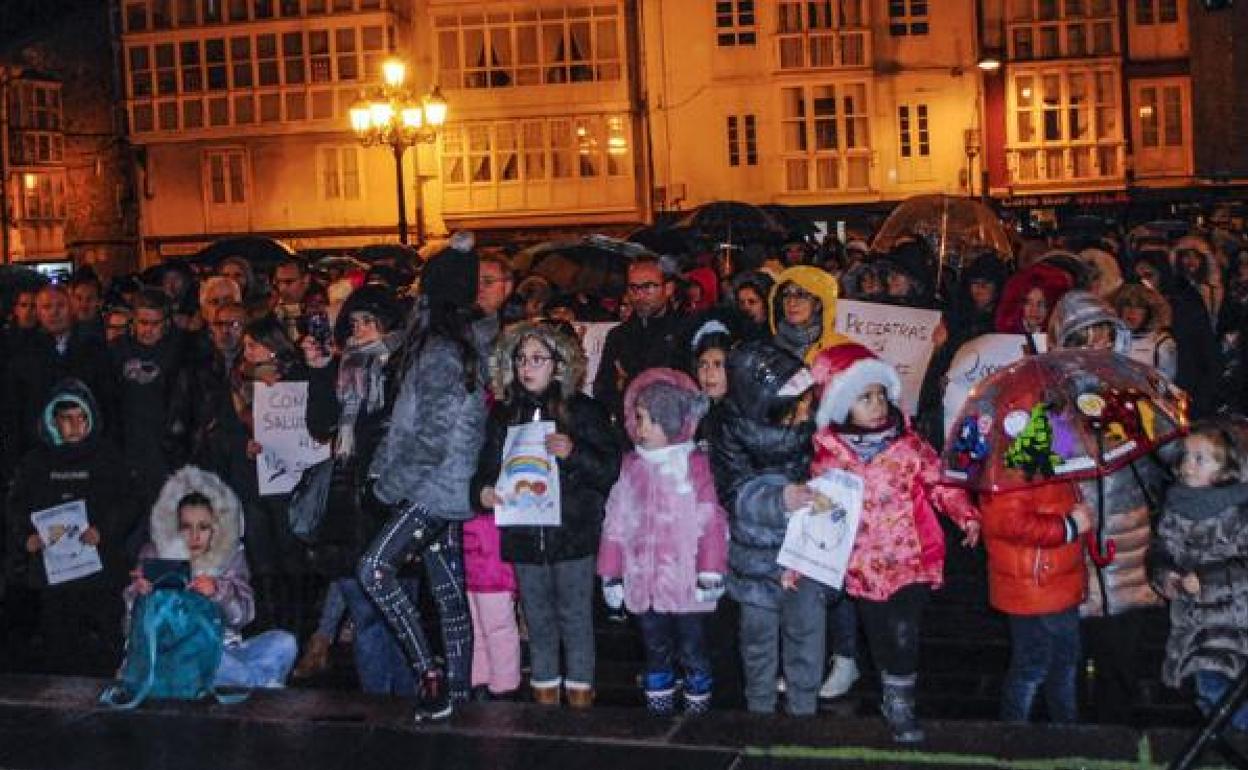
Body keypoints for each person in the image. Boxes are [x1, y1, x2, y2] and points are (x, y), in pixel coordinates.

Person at [810, 344, 981, 743]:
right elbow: (820, 516)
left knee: (904, 630)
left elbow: (941, 485)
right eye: (864, 398)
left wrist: (966, 514)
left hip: (911, 560)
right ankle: (890, 688)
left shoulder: (908, 447)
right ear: (842, 406)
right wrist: (803, 563)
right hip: (864, 567)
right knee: (880, 635)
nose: (877, 405)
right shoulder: (830, 457)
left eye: (880, 395)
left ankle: (901, 702)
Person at [358, 244, 491, 721]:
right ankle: (457, 694)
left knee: (374, 569)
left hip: (433, 490)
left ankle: (429, 673)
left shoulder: (440, 352)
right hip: (447, 488)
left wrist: (389, 486)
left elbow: (431, 434)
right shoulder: (457, 346)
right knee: (449, 596)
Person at [472, 320, 621, 707]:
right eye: (521, 358)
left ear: (559, 364)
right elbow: (485, 469)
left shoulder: (584, 411)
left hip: (572, 536)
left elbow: (609, 470)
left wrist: (574, 454)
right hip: (523, 536)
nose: (527, 366)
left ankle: (580, 701)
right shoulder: (504, 415)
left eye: (538, 358)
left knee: (575, 619)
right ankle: (544, 703)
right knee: (537, 621)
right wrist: (483, 492)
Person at [1048, 290, 1169, 725]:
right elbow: (1050, 464)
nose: (1096, 345)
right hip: (1075, 540)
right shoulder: (1050, 399)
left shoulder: (1135, 388)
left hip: (1127, 538)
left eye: (1104, 334)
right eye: (1085, 337)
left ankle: (1116, 726)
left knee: (1121, 652)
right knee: (1071, 653)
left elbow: (1161, 457)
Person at [298, 285, 415, 693]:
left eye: (369, 321)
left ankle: (406, 699)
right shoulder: (343, 367)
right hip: (347, 499)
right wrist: (318, 370)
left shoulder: (406, 365)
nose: (360, 329)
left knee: (399, 610)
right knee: (364, 613)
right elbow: (321, 424)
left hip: (389, 496)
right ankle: (377, 703)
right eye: (354, 322)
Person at [599, 367, 728, 715]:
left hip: (686, 585)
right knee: (654, 646)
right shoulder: (632, 467)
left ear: (670, 423)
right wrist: (611, 573)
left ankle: (697, 707)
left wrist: (711, 570)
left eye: (647, 421)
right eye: (637, 419)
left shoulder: (696, 466)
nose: (638, 428)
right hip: (645, 582)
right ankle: (659, 706)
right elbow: (616, 521)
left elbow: (712, 520)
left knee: (692, 646)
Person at [710, 341, 822, 716]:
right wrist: (778, 500)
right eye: (798, 404)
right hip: (757, 555)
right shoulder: (731, 429)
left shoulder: (813, 430)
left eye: (809, 402)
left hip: (806, 554)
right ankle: (759, 707)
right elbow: (734, 491)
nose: (806, 411)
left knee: (806, 635)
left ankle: (803, 708)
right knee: (757, 638)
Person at [6, 379, 141, 676]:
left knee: (106, 641)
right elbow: (15, 505)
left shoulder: (109, 457)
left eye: (81, 418)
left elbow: (131, 501)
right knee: (59, 642)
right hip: (53, 573)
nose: (75, 426)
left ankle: (107, 695)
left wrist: (104, 530)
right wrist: (26, 538)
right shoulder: (35, 462)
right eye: (67, 419)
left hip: (100, 569)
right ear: (53, 421)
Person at [125, 466, 297, 688]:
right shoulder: (154, 554)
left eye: (203, 527)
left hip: (226, 652)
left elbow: (245, 616)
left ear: (215, 528)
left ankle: (243, 682)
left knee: (284, 642)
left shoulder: (231, 555)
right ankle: (260, 685)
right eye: (187, 527)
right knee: (203, 657)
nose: (195, 536)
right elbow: (131, 629)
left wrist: (219, 593)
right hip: (173, 656)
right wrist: (139, 595)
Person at [1149, 421, 1248, 731]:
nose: (1187, 465)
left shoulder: (1237, 510)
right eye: (1186, 457)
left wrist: (1205, 580)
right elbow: (1161, 550)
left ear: (1223, 468)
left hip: (1231, 624)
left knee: (1219, 692)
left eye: (1199, 458)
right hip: (1191, 621)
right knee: (1207, 698)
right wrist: (1167, 577)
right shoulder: (1176, 505)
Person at [979, 461, 1093, 723]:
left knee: (1056, 664)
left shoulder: (1051, 449)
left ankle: (1058, 731)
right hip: (1038, 585)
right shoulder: (1011, 463)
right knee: (1038, 666)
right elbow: (1008, 522)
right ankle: (1023, 733)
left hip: (1053, 580)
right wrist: (1069, 526)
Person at [594, 255, 688, 423]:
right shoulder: (618, 336)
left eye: (648, 287)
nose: (639, 295)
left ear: (668, 289)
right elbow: (602, 389)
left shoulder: (686, 330)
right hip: (629, 429)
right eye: (633, 288)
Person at [769, 265, 849, 364]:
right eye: (786, 294)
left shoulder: (836, 348)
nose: (791, 302)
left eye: (801, 295)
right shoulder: (770, 345)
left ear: (818, 304)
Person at [1110, 283, 1177, 381]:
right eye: (1128, 305)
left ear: (1149, 313)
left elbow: (1166, 385)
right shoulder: (1109, 339)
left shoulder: (1161, 342)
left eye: (1139, 306)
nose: (1132, 312)